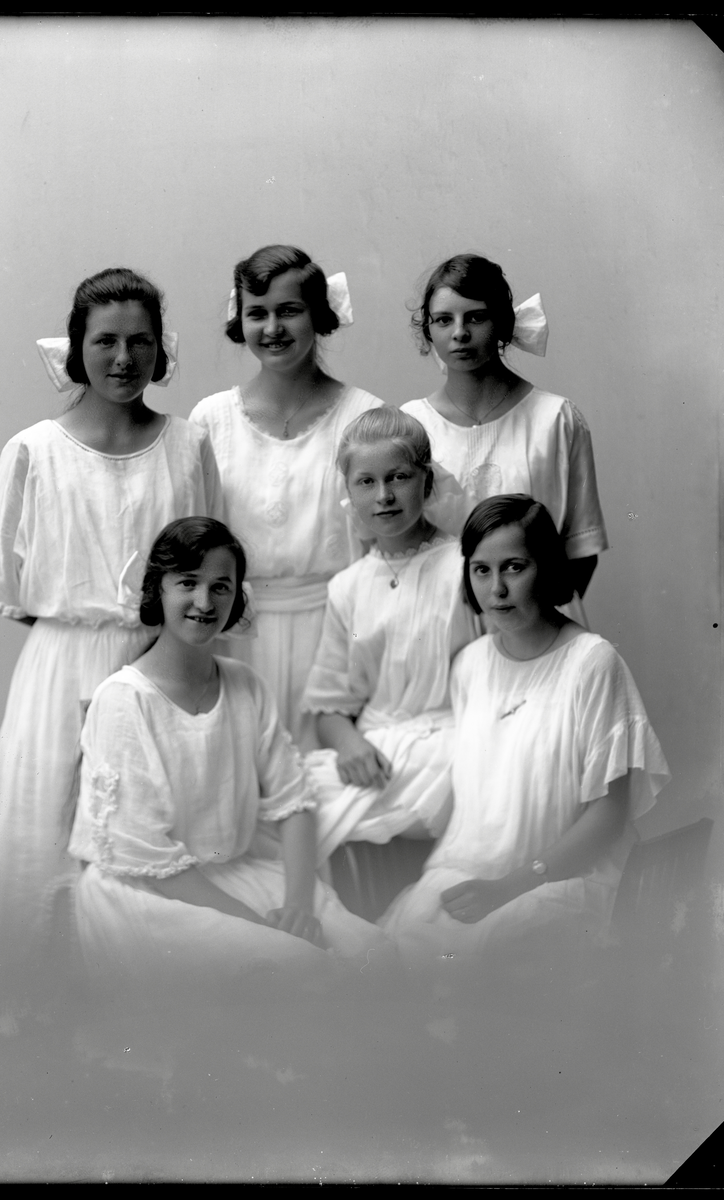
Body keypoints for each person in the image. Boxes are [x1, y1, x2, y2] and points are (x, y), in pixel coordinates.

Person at [0, 267, 221, 971]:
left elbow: (208, 565)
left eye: (140, 342)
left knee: (150, 842)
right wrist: (87, 635)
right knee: (45, 832)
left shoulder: (189, 445)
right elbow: (11, 587)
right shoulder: (33, 450)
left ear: (161, 350)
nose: (123, 358)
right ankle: (37, 991)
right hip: (60, 670)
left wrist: (147, 642)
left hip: (161, 669)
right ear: (76, 348)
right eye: (105, 341)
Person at [67, 517, 384, 993]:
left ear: (237, 597)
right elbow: (143, 853)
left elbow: (294, 801)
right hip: (151, 893)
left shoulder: (244, 684)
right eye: (188, 583)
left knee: (375, 954)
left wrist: (298, 906)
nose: (204, 602)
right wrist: (256, 923)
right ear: (158, 590)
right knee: (299, 970)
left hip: (236, 872)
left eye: (221, 587)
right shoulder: (124, 700)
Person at [382, 495, 669, 974]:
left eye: (514, 567)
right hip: (473, 872)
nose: (496, 589)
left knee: (477, 956)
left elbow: (609, 814)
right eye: (481, 570)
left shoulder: (592, 662)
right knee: (396, 951)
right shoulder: (469, 665)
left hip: (563, 881)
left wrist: (508, 887)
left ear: (547, 568)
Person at [189, 245, 384, 751]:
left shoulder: (363, 416)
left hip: (337, 636)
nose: (273, 328)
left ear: (319, 314)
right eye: (257, 313)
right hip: (235, 637)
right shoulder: (211, 420)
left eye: (289, 311)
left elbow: (386, 545)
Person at [302, 408, 477, 920]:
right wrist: (350, 744)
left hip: (454, 743)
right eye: (367, 482)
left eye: (398, 477)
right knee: (282, 801)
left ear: (427, 480)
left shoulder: (466, 567)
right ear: (349, 493)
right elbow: (330, 706)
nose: (384, 496)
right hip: (378, 748)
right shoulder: (348, 587)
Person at [402, 253, 607, 617]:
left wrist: (530, 625)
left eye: (476, 317)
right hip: (440, 624)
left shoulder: (555, 419)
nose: (460, 333)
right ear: (428, 330)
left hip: (537, 624)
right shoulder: (412, 425)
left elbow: (581, 549)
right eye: (444, 320)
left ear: (502, 323)